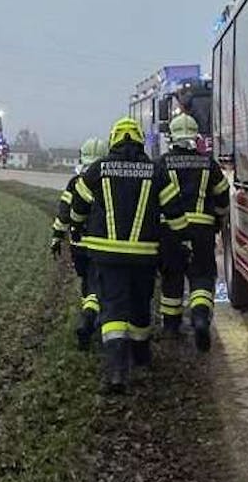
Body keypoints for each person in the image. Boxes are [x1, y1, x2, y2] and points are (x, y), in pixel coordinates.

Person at [64, 116, 183, 393]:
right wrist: (179, 240)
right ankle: (141, 355)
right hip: (144, 256)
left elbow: (78, 207)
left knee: (114, 309)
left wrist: (77, 228)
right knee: (141, 305)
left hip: (108, 257)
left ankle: (117, 371)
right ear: (140, 140)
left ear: (114, 139)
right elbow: (175, 214)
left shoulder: (98, 169)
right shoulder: (155, 171)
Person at [155, 113, 229, 353]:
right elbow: (223, 196)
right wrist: (218, 219)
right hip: (202, 232)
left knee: (172, 278)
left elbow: (154, 198)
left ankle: (171, 328)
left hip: (171, 232)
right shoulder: (208, 164)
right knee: (202, 277)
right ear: (195, 136)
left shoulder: (162, 164)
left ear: (172, 137)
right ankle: (199, 318)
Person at [51, 136, 106, 348]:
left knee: (88, 283)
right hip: (101, 245)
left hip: (78, 245)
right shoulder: (106, 182)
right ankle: (91, 320)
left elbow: (64, 213)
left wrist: (57, 237)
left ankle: (89, 317)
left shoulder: (74, 183)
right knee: (99, 284)